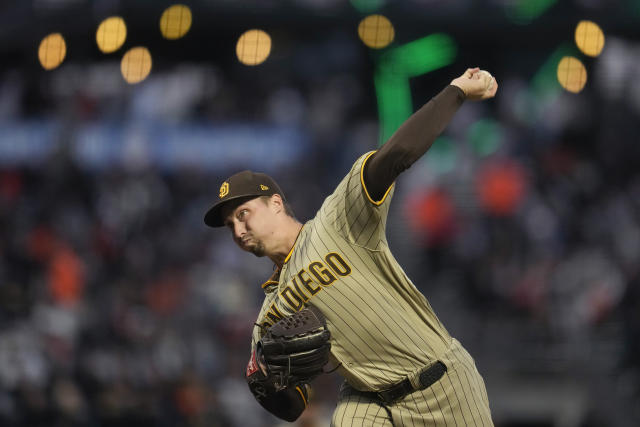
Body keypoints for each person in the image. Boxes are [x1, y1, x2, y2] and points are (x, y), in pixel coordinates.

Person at [204, 67, 498, 426]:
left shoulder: (337, 220)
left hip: (440, 382)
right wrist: (262, 381)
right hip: (367, 400)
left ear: (276, 204)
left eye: (243, 212)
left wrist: (455, 91)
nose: (238, 227)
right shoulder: (270, 314)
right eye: (231, 223)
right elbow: (293, 406)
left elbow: (394, 155)